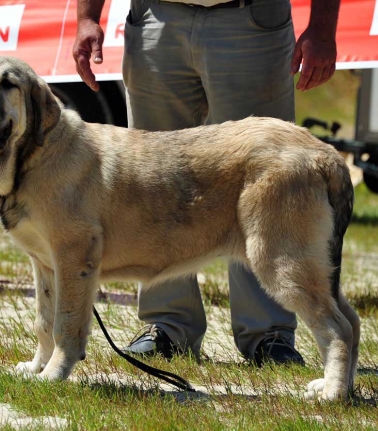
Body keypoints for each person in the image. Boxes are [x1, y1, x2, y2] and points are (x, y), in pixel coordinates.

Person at [73, 0, 340, 366]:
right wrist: (87, 17)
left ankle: (269, 336)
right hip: (157, 19)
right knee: (153, 183)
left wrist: (323, 29)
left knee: (265, 182)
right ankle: (168, 327)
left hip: (251, 20)